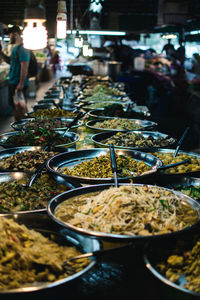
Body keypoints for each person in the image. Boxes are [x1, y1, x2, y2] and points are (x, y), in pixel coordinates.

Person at [0, 25, 30, 113]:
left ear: (15, 34)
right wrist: (0, 52)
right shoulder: (16, 48)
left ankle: (21, 124)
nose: (9, 37)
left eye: (9, 35)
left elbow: (25, 67)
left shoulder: (23, 48)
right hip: (14, 81)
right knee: (16, 108)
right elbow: (11, 62)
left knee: (20, 109)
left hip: (18, 83)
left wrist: (21, 84)